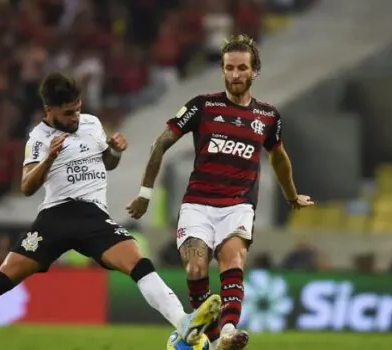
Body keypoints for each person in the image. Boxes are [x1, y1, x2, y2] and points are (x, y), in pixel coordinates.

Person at [0, 73, 221, 350]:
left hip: (93, 215)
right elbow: (26, 187)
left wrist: (114, 151)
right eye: (68, 113)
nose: (75, 117)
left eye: (77, 109)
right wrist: (50, 158)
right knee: (2, 279)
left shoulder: (92, 123)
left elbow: (106, 165)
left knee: (139, 262)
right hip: (55, 216)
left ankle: (184, 325)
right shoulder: (38, 138)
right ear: (49, 110)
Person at [126, 35, 314, 350]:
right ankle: (213, 340)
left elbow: (279, 158)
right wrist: (145, 193)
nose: (236, 74)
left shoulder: (267, 117)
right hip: (198, 204)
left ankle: (227, 331)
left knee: (233, 260)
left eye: (242, 68)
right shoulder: (202, 106)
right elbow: (160, 143)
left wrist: (292, 196)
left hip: (238, 205)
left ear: (255, 72)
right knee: (196, 267)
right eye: (229, 68)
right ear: (222, 70)